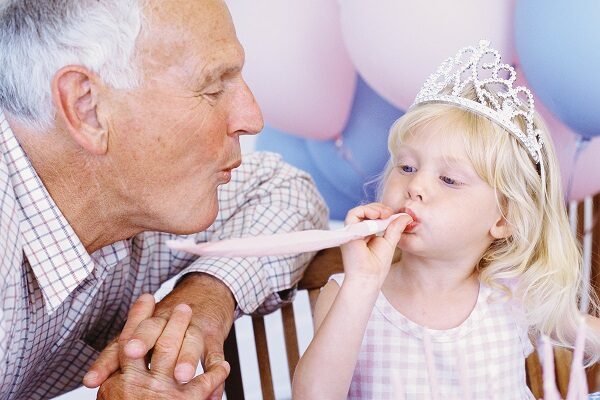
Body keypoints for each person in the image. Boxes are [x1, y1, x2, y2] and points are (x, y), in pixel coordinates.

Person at [0, 0, 328, 399]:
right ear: (86, 107)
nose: (252, 118)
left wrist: (207, 296)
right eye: (212, 87)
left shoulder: (133, 201)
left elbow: (283, 189)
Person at [292, 40, 600, 399]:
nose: (416, 186)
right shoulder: (349, 293)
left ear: (504, 219)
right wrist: (363, 282)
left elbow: (582, 332)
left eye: (449, 180)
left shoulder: (513, 292)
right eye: (406, 167)